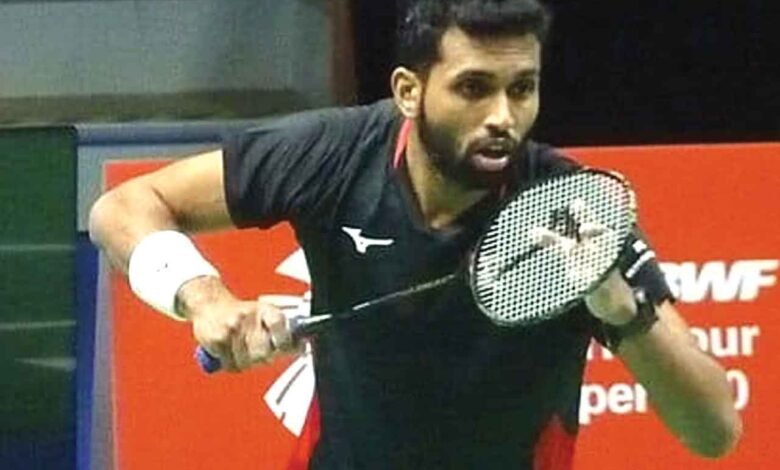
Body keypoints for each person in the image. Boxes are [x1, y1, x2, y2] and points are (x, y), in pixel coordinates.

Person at [89, 0, 741, 468]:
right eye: (474, 88)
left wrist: (622, 310)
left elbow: (715, 431)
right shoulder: (335, 155)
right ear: (409, 90)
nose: (503, 117)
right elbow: (122, 208)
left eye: (522, 89)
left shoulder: (570, 212)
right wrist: (204, 297)